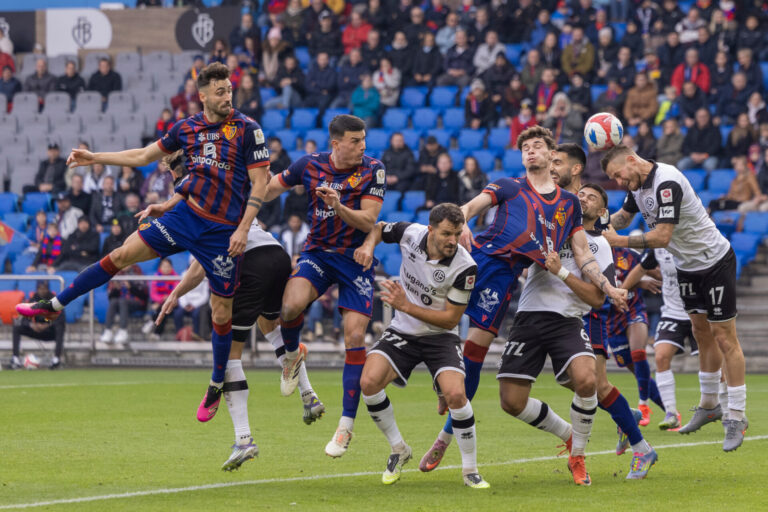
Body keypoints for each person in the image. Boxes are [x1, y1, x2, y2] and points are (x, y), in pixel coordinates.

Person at [17, 63, 274, 430]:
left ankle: (216, 383)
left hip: (223, 233)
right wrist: (95, 157)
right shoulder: (186, 128)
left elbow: (260, 181)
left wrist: (244, 229)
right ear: (201, 96)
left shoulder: (248, 129)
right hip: (186, 218)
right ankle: (55, 304)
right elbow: (142, 156)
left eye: (229, 89)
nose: (226, 96)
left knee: (221, 314)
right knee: (121, 254)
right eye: (219, 91)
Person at [420, 126, 627, 484]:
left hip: (504, 279)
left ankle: (446, 433)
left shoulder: (567, 204)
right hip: (478, 259)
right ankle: (444, 399)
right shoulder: (509, 185)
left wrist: (609, 287)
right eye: (525, 148)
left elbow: (583, 253)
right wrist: (462, 223)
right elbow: (471, 206)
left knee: (476, 349)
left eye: (537, 147)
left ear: (551, 155)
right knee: (429, 320)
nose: (530, 152)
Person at [601, 145, 749, 451]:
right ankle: (709, 406)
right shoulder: (637, 185)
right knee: (700, 333)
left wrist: (619, 241)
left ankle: (736, 415)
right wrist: (594, 225)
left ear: (631, 160)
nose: (618, 182)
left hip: (714, 262)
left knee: (724, 337)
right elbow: (623, 218)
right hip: (686, 267)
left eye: (618, 174)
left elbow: (662, 237)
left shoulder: (666, 181)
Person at [158, 219, 325, 470]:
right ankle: (308, 395)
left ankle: (243, 440)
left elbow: (199, 268)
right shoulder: (235, 195)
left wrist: (175, 293)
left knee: (230, 355)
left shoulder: (204, 210)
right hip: (278, 255)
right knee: (269, 326)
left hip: (251, 263)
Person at [264, 114, 385, 458]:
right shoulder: (309, 164)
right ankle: (292, 356)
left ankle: (345, 427)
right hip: (318, 252)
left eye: (363, 139)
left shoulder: (373, 169)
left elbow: (368, 220)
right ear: (336, 143)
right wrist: (250, 201)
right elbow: (273, 187)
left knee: (356, 337)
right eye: (355, 141)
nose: (363, 146)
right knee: (288, 307)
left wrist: (338, 205)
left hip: (354, 259)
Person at [354, 204, 489, 488]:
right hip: (403, 331)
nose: (453, 240)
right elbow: (378, 229)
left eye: (457, 233)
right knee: (368, 382)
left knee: (456, 395)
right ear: (430, 230)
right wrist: (368, 246)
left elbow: (450, 318)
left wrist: (405, 305)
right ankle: (398, 448)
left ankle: (470, 470)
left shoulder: (466, 266)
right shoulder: (410, 233)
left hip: (440, 335)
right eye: (446, 234)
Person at [551, 144, 658, 478]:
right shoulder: (565, 229)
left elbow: (603, 291)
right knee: (584, 384)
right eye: (580, 195)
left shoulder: (599, 243)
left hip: (589, 317)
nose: (583, 198)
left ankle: (642, 447)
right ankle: (625, 417)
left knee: (594, 384)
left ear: (602, 213)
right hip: (560, 316)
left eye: (592, 198)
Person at [621, 247, 702, 430]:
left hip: (699, 311)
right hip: (672, 313)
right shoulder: (658, 248)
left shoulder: (695, 243)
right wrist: (622, 290)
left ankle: (726, 409)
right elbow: (640, 268)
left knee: (710, 362)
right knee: (660, 356)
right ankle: (671, 413)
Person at [10, 282, 66, 370]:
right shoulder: (33, 300)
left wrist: (47, 325)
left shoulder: (55, 301)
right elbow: (25, 317)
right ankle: (15, 359)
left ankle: (56, 359)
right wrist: (31, 325)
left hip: (50, 332)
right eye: (40, 288)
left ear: (48, 289)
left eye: (44, 288)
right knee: (17, 328)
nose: (42, 291)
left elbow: (61, 318)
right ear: (37, 289)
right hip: (35, 330)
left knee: (60, 327)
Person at [101, 264, 148, 344]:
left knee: (123, 301)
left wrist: (131, 287)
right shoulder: (117, 274)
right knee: (113, 302)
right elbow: (110, 296)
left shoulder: (137, 272)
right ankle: (108, 330)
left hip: (137, 301)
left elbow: (144, 294)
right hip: (121, 303)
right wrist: (116, 289)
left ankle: (123, 331)